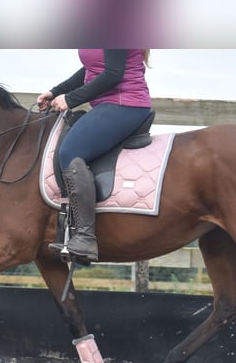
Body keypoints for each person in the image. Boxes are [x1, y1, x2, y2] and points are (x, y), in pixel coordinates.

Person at [37, 49, 152, 262]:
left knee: (70, 153)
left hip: (125, 104)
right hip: (111, 104)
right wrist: (56, 92)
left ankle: (85, 237)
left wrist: (71, 99)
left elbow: (113, 74)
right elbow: (91, 68)